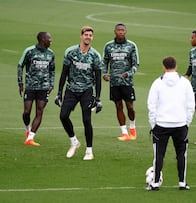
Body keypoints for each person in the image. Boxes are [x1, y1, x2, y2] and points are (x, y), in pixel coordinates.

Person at [146, 56, 195, 191]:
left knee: (158, 155)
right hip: (180, 124)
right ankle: (182, 183)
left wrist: (153, 124)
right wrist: (187, 122)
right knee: (181, 154)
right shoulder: (185, 83)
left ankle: (155, 183)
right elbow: (191, 104)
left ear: (163, 67)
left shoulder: (157, 83)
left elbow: (151, 105)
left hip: (161, 124)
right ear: (176, 66)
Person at [55, 26, 102, 160]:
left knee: (86, 120)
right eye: (86, 34)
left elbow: (98, 77)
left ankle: (89, 151)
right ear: (81, 36)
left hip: (87, 91)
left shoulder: (95, 55)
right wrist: (59, 92)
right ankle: (74, 141)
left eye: (90, 35)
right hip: (71, 89)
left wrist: (98, 98)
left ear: (92, 38)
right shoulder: (70, 52)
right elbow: (64, 73)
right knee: (63, 116)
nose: (88, 37)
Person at [102, 23, 139, 141]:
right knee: (118, 106)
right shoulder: (108, 46)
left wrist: (128, 74)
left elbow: (136, 64)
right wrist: (104, 74)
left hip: (127, 82)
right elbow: (104, 62)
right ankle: (124, 132)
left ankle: (132, 128)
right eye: (118, 30)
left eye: (122, 30)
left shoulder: (131, 46)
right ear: (115, 31)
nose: (120, 32)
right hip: (114, 82)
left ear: (125, 32)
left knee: (130, 106)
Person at [17, 32, 55, 146]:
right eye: (49, 38)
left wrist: (51, 84)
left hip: (44, 87)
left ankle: (31, 138)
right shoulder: (30, 51)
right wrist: (20, 82)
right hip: (30, 86)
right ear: (42, 40)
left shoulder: (51, 54)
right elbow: (20, 65)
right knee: (26, 112)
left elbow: (52, 70)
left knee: (40, 110)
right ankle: (28, 129)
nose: (51, 40)